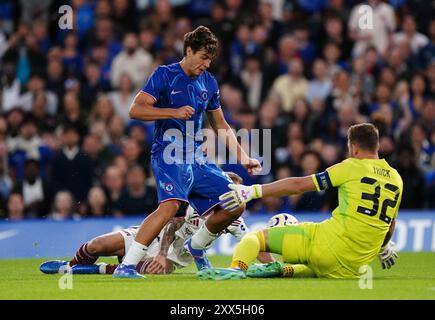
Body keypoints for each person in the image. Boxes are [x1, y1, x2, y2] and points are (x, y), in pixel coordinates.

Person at [113, 26, 261, 278]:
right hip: (168, 153)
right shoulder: (164, 75)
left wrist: (243, 157)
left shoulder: (209, 82)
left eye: (210, 59)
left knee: (234, 203)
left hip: (196, 158)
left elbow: (220, 124)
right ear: (188, 51)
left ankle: (196, 246)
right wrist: (171, 111)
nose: (206, 64)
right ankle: (126, 266)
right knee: (171, 207)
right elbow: (135, 110)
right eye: (203, 57)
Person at [198, 123, 403, 280]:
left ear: (354, 147)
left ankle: (237, 269)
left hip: (327, 246)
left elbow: (298, 185)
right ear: (376, 145)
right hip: (355, 267)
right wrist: (383, 248)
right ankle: (281, 270)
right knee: (314, 265)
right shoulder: (396, 178)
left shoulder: (350, 166)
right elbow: (390, 224)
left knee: (254, 238)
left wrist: (252, 191)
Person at [39, 173, 273, 275]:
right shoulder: (195, 199)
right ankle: (69, 267)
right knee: (96, 245)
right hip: (152, 238)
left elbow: (254, 244)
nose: (231, 195)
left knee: (159, 271)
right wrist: (160, 253)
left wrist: (277, 267)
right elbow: (171, 224)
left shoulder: (233, 219)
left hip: (173, 259)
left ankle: (90, 271)